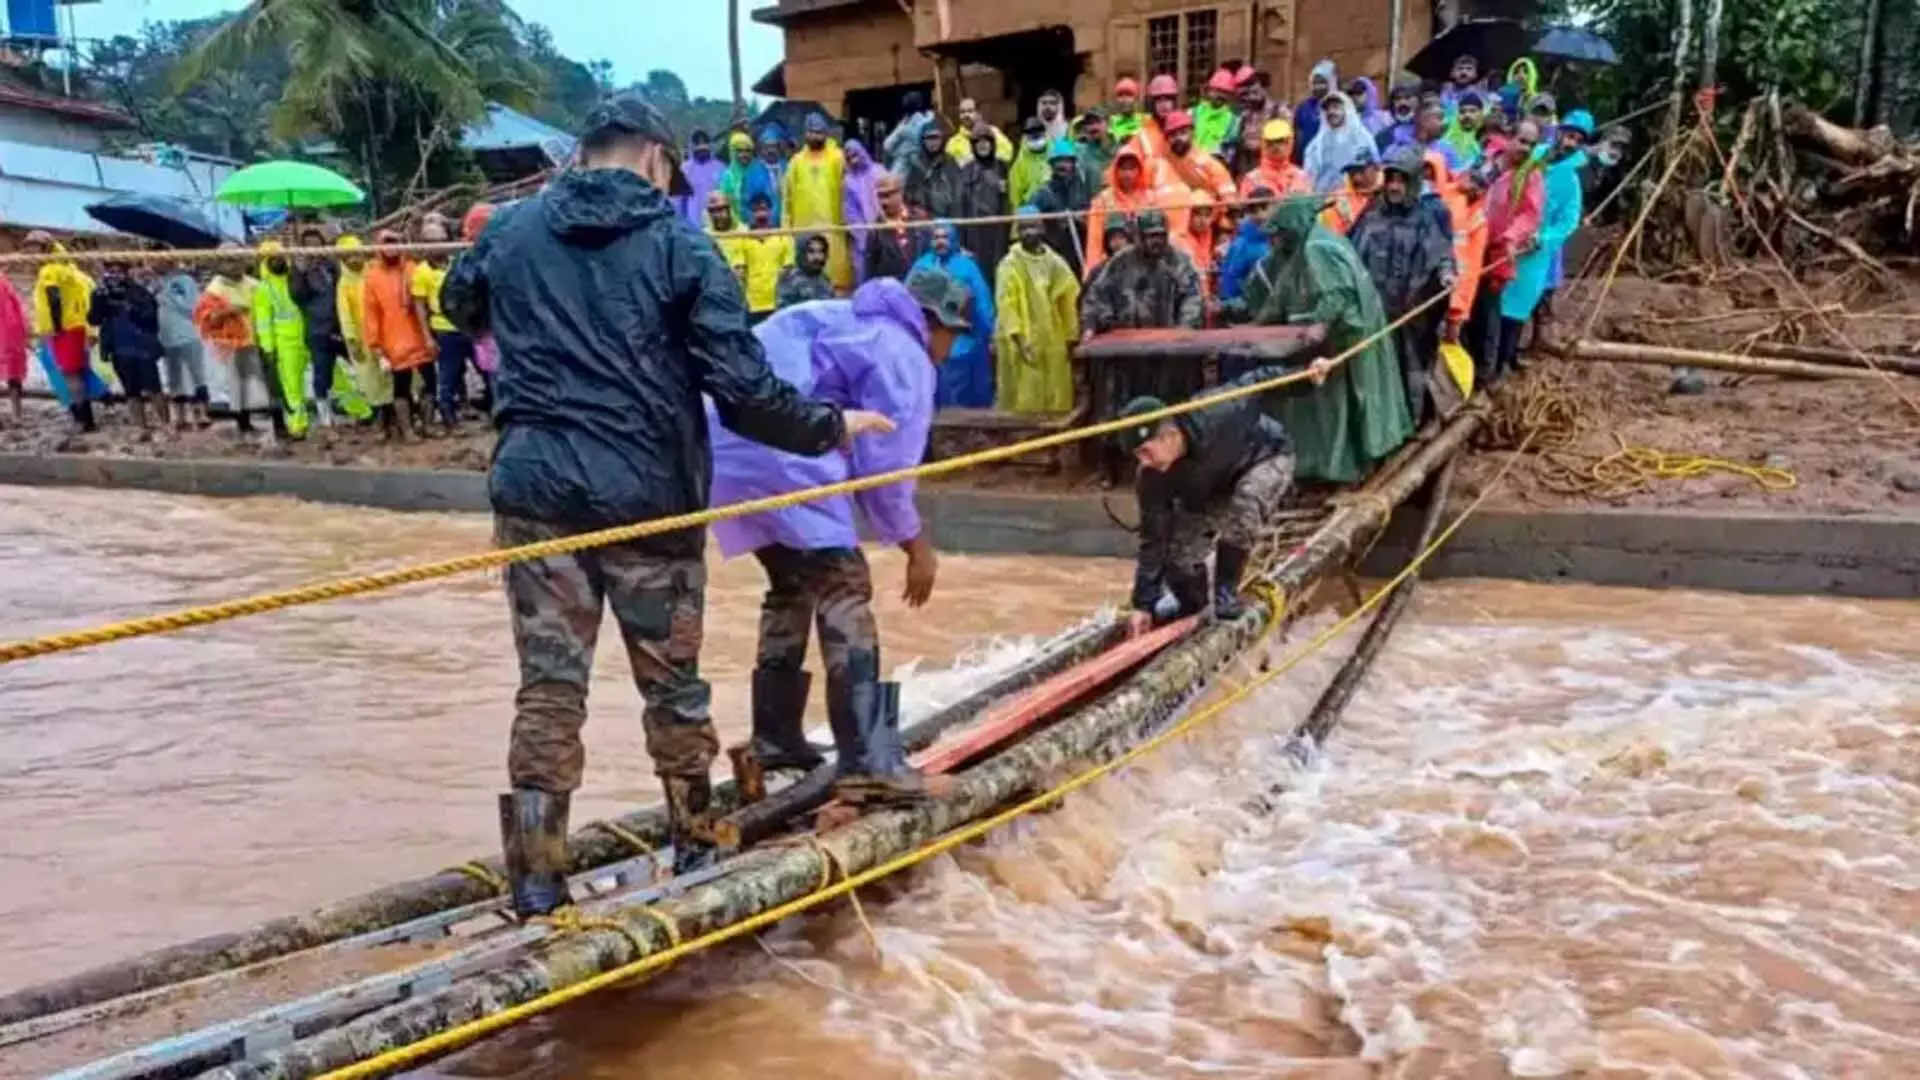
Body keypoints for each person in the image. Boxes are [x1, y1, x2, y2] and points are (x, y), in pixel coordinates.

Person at [440, 93, 896, 911]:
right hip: (646, 497)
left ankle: (539, 882)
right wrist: (832, 425)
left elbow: (458, 305)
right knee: (673, 686)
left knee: (548, 687)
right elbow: (748, 392)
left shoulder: (508, 232)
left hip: (536, 490)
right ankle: (697, 855)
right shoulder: (682, 247)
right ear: (656, 156)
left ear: (583, 153)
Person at [712, 269, 965, 802]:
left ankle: (776, 736)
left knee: (791, 582)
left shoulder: (838, 317)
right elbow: (886, 468)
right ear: (932, 323)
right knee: (843, 586)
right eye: (953, 334)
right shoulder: (904, 352)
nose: (950, 347)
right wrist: (916, 546)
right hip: (782, 447)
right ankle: (867, 760)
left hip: (723, 446)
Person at [1246, 198, 1415, 484]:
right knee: (1360, 399)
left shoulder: (1316, 250)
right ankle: (1363, 458)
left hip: (1348, 339)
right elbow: (1282, 295)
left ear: (1292, 230)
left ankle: (1341, 469)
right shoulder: (1318, 240)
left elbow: (1335, 299)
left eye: (1279, 235)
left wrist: (1308, 328)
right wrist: (1257, 324)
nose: (1275, 243)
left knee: (1341, 407)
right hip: (1356, 330)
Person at [1115, 370, 1299, 630]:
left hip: (1263, 459)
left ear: (1169, 435)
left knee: (1245, 505)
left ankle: (1226, 591)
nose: (1143, 461)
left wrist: (1308, 376)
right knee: (1177, 558)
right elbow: (1153, 538)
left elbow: (1259, 381)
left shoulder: (1214, 412)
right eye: (1137, 455)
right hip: (1210, 486)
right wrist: (1142, 604)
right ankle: (1194, 606)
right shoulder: (1151, 476)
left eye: (1146, 451)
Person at [1347, 145, 1455, 424]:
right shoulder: (1372, 214)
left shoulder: (1425, 217)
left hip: (1409, 313)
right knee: (1374, 369)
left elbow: (1441, 254)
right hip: (1374, 311)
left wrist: (1446, 274)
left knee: (1411, 367)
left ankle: (1415, 420)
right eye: (1391, 178)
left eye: (1402, 180)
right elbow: (1349, 250)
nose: (1395, 186)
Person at [1503, 111, 1589, 355]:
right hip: (1507, 237)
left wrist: (1544, 238)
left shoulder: (1571, 181)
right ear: (1558, 133)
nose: (1570, 143)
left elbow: (1568, 221)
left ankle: (1513, 356)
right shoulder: (1533, 156)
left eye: (1577, 140)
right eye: (1568, 135)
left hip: (1535, 250)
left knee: (1522, 304)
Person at [994, 207, 1081, 414]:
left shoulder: (1056, 263)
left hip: (1053, 341)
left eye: (1033, 226)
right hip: (1021, 343)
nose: (1029, 232)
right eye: (1023, 228)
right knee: (1024, 401)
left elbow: (1069, 300)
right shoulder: (1009, 265)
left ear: (1042, 228)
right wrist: (1020, 340)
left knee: (1055, 397)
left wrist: (1071, 336)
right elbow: (1007, 304)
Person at [1478, 122, 1545, 381]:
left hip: (1499, 252)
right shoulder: (1486, 164)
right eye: (1522, 140)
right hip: (1472, 248)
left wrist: (1511, 238)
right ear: (1508, 138)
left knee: (1491, 315)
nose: (1525, 148)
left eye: (1532, 144)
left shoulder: (1531, 176)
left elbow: (1530, 214)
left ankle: (1489, 376)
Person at [361, 227, 436, 440]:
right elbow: (371, 314)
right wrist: (376, 348)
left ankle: (428, 424)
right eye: (387, 242)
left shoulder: (413, 269)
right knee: (401, 386)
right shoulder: (373, 277)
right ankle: (407, 429)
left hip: (420, 336)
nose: (392, 247)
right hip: (394, 341)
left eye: (395, 242)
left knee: (430, 381)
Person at [911, 220, 995, 407]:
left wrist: (988, 330)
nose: (940, 242)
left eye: (945, 237)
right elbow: (908, 302)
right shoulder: (921, 266)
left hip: (965, 339)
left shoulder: (967, 266)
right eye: (936, 237)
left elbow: (982, 301)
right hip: (932, 341)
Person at [1080, 208, 1203, 336]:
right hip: (1124, 341)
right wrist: (1094, 324)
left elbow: (1192, 299)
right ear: (1138, 237)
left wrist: (1185, 327)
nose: (1157, 241)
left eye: (1161, 235)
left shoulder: (1179, 262)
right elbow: (1096, 295)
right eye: (1151, 236)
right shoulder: (1121, 261)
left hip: (1168, 341)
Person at [409, 217, 478, 430]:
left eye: (440, 239)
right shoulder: (421, 271)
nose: (437, 244)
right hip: (444, 328)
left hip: (469, 325)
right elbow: (420, 306)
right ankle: (448, 417)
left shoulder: (458, 262)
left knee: (486, 369)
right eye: (431, 241)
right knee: (448, 375)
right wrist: (427, 337)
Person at [26, 232, 98, 432]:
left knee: (70, 374)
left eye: (34, 246)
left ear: (45, 248)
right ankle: (86, 418)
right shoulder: (67, 268)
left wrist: (56, 328)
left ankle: (82, 419)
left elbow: (53, 297)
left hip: (64, 328)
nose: (31, 251)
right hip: (75, 325)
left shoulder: (49, 270)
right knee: (78, 372)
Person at [194, 249, 270, 438]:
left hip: (258, 339)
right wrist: (228, 311)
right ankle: (243, 424)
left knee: (259, 382)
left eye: (237, 259)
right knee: (237, 384)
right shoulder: (214, 289)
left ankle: (265, 420)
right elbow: (204, 318)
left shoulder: (255, 285)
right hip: (230, 344)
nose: (233, 264)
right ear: (219, 264)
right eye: (228, 261)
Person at [89, 262, 167, 434]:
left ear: (126, 273)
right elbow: (93, 319)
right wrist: (99, 297)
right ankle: (140, 427)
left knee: (154, 388)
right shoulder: (103, 293)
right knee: (131, 391)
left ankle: (165, 425)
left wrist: (131, 306)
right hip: (118, 348)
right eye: (111, 272)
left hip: (142, 347)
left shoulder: (138, 291)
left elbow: (151, 318)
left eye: (119, 271)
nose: (115, 275)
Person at [1084, 146, 1186, 277]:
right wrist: (1091, 276)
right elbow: (1094, 243)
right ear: (1115, 170)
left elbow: (1166, 235)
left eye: (1132, 168)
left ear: (1140, 170)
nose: (1127, 174)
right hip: (1114, 266)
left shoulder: (1152, 199)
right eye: (1123, 168)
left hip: (1149, 264)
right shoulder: (1102, 201)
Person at [250, 240, 314, 438]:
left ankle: (362, 412)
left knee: (331, 378)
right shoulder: (264, 288)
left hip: (305, 337)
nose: (277, 261)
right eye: (272, 258)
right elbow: (263, 322)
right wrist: (269, 348)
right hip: (284, 343)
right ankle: (298, 425)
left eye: (279, 256)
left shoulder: (294, 278)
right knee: (292, 386)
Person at [335, 235, 395, 436]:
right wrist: (351, 341)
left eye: (356, 254)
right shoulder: (344, 284)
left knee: (391, 376)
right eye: (348, 256)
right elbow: (345, 315)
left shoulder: (374, 271)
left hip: (386, 332)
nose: (354, 259)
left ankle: (395, 417)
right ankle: (380, 418)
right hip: (362, 338)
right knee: (370, 379)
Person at [783, 113, 851, 291]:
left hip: (833, 227)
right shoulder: (795, 162)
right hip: (803, 229)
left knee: (835, 281)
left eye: (820, 132)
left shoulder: (838, 158)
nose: (816, 136)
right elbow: (787, 197)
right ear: (805, 134)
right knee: (804, 280)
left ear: (826, 133)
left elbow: (848, 192)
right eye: (812, 132)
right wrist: (786, 228)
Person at [1024, 137, 1093, 279]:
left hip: (1080, 252)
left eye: (1067, 161)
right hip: (1054, 254)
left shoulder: (1083, 190)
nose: (1062, 165)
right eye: (1058, 161)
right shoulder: (1043, 193)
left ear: (1073, 164)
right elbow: (1027, 217)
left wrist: (1083, 220)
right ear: (1052, 165)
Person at [153, 258, 210, 430]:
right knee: (174, 379)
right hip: (167, 338)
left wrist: (166, 296)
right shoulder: (156, 283)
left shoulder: (185, 281)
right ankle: (180, 416)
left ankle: (201, 413)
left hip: (188, 335)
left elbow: (192, 307)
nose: (152, 265)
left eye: (155, 260)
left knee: (196, 375)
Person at [954, 123, 1012, 274]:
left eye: (986, 141)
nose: (983, 145)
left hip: (998, 232)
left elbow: (1009, 201)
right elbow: (960, 205)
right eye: (978, 142)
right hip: (975, 232)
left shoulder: (1003, 168)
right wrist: (961, 240)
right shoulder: (966, 170)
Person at [1303, 90, 1373, 193]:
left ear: (1346, 110)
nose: (1331, 112)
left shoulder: (1363, 139)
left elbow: (1372, 170)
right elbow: (1309, 178)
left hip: (1355, 200)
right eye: (1327, 109)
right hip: (1322, 202)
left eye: (1336, 107)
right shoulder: (1315, 145)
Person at [739, 192, 795, 319]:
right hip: (752, 304)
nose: (760, 214)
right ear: (750, 213)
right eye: (756, 210)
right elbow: (740, 272)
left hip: (777, 303)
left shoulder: (783, 236)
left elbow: (788, 269)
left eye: (764, 209)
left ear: (770, 211)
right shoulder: (742, 239)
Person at [862, 172, 925, 282]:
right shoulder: (875, 230)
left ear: (900, 192)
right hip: (891, 290)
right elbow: (869, 270)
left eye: (887, 195)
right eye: (880, 196)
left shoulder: (919, 219)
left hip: (920, 287)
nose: (883, 202)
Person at [1161, 110, 1235, 202]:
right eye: (1173, 135)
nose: (1178, 138)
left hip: (1207, 210)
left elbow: (1229, 197)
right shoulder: (1164, 161)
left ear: (1192, 133)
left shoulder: (1206, 162)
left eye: (1183, 133)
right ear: (1167, 138)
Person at [1224, 68, 1288, 176]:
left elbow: (1287, 144)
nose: (1251, 96)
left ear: (1264, 88)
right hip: (1246, 171)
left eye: (1254, 90)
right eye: (1246, 93)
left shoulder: (1279, 111)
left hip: (1272, 172)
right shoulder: (1242, 115)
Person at [1218, 188, 1274, 307]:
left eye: (1264, 208)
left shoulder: (1283, 237)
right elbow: (1230, 281)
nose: (1260, 215)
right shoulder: (1240, 245)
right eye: (1254, 211)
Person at [841, 140, 885, 285]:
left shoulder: (879, 171)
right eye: (848, 155)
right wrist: (865, 237)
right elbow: (850, 214)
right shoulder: (848, 181)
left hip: (885, 232)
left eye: (855, 153)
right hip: (863, 241)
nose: (853, 157)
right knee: (865, 279)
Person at [903, 118, 963, 219]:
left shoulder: (950, 162)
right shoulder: (917, 164)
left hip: (946, 220)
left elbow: (958, 196)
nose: (932, 142)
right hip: (922, 222)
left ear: (942, 139)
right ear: (923, 140)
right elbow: (908, 196)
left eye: (936, 137)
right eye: (929, 138)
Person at [1237, 119, 1310, 201]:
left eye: (1281, 141)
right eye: (1270, 142)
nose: (1276, 146)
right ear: (1263, 144)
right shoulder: (1252, 179)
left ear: (1291, 142)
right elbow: (1246, 212)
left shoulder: (1300, 176)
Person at [1320, 147, 1381, 236]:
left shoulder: (1390, 191)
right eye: (1352, 172)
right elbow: (1331, 238)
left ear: (1375, 168)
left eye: (1361, 171)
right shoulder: (1337, 201)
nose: (1357, 178)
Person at [1128, 73, 1183, 166]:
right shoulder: (1142, 134)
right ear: (1152, 104)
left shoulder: (1184, 132)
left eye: (1168, 99)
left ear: (1174, 101)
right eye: (1159, 100)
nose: (1163, 104)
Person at [718, 131, 771, 221]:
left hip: (759, 224)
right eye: (740, 151)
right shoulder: (727, 177)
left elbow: (769, 201)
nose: (744, 155)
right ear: (733, 153)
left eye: (748, 151)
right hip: (734, 227)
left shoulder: (762, 172)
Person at [677, 130, 726, 227]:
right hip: (693, 227)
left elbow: (728, 197)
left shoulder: (721, 168)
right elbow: (678, 202)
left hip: (718, 225)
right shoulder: (684, 169)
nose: (701, 148)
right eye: (698, 144)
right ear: (692, 147)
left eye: (704, 144)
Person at [1180, 189, 1222, 301]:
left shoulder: (1207, 237)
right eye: (1198, 214)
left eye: (1207, 215)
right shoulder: (1179, 241)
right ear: (1187, 214)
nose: (1203, 221)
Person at [776, 233, 837, 308]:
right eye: (811, 251)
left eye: (821, 251)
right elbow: (786, 314)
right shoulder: (789, 279)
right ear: (801, 253)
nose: (817, 257)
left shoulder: (824, 278)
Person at [1293, 60, 1337, 164]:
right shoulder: (1304, 108)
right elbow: (1297, 135)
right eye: (1315, 83)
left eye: (1323, 82)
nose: (1318, 87)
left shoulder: (1341, 105)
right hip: (1307, 161)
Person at [883, 90, 936, 175]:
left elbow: (887, 146)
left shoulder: (905, 124)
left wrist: (901, 132)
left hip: (907, 168)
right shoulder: (932, 119)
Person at [946, 97, 1013, 163]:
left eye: (970, 111)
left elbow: (1008, 153)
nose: (966, 115)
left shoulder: (992, 132)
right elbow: (950, 167)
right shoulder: (953, 142)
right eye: (962, 112)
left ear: (978, 113)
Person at [1009, 116, 1052, 212]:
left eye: (1038, 134)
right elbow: (1015, 199)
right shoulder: (1019, 165)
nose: (1035, 137)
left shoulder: (1055, 156)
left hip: (1055, 211)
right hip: (1031, 213)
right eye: (1031, 135)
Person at [1193, 68, 1239, 155]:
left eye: (1224, 92)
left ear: (1230, 95)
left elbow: (1229, 151)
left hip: (1215, 165)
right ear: (1209, 90)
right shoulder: (1194, 112)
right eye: (1217, 90)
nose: (1219, 95)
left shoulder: (1233, 121)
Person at [0, 275, 25, 424]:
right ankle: (17, 414)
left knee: (12, 374)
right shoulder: (5, 283)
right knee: (13, 374)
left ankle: (16, 414)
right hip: (11, 334)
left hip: (6, 333)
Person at [1443, 92, 1488, 166]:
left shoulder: (1488, 136)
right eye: (1462, 112)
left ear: (1481, 113)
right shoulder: (1447, 135)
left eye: (1472, 111)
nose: (1467, 115)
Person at [1375, 81, 1421, 152]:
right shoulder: (1384, 135)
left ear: (1417, 101)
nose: (1402, 102)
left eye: (1407, 98)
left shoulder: (1425, 131)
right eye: (1397, 99)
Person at [1075, 107, 1116, 179]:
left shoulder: (1121, 149)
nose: (1094, 127)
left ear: (1109, 123)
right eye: (1089, 123)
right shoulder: (1079, 151)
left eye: (1098, 122)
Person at [1108, 77, 1144, 142]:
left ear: (1136, 99)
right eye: (1120, 95)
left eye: (1128, 95)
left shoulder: (1144, 122)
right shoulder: (1110, 125)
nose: (1124, 99)